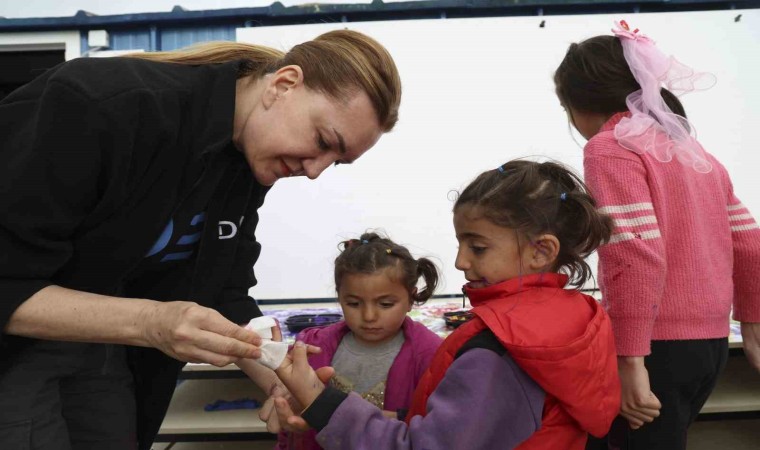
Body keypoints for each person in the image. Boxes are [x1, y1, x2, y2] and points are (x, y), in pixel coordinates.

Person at [0, 30, 401, 450]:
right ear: (284, 84)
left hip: (101, 349)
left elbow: (224, 289)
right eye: (322, 141)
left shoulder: (245, 161)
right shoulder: (99, 106)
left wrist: (276, 377)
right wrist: (151, 322)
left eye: (335, 163)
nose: (315, 170)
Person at [271, 160, 621, 449]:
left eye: (477, 247)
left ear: (541, 251)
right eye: (459, 244)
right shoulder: (582, 317)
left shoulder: (498, 349)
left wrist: (318, 398)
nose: (460, 261)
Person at [553, 21, 760, 450]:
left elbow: (633, 253)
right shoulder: (694, 151)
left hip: (653, 349)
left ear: (577, 103)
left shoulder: (610, 148)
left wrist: (631, 362)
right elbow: (750, 243)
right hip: (710, 346)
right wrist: (753, 329)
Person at [274, 232, 443, 449]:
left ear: (411, 298)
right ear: (339, 296)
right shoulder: (311, 347)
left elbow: (433, 426)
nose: (369, 316)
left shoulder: (431, 354)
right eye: (354, 304)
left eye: (385, 304)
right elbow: (289, 417)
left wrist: (329, 414)